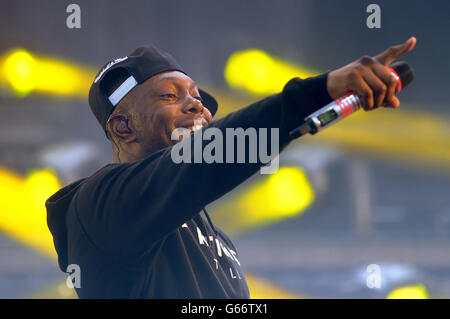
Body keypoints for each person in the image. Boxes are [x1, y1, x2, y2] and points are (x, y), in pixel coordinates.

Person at [46, 38, 416, 298]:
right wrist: (320, 91)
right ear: (123, 127)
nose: (197, 107)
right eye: (170, 96)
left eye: (197, 97)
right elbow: (215, 153)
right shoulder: (99, 205)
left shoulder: (214, 238)